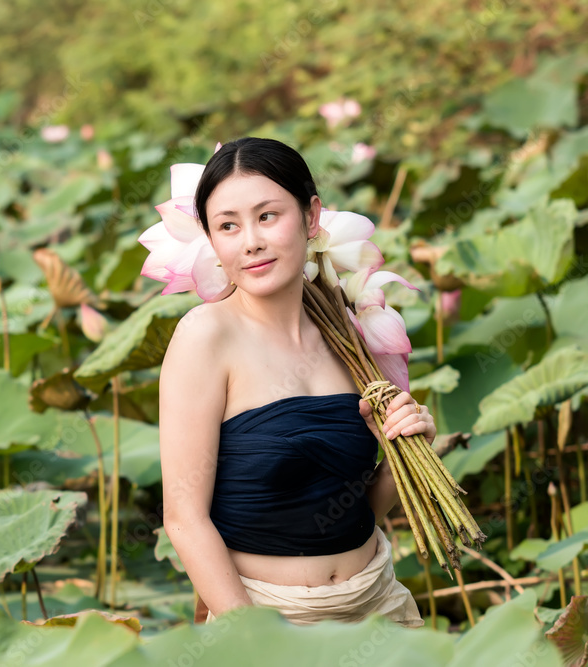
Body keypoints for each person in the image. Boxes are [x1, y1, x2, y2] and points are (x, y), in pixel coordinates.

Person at [158, 137, 427, 628]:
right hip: (267, 620)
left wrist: (403, 451)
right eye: (228, 226)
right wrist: (255, 641)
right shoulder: (205, 337)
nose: (250, 242)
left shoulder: (349, 332)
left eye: (267, 216)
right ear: (212, 241)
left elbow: (358, 507)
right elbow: (183, 519)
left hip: (377, 606)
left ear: (311, 217)